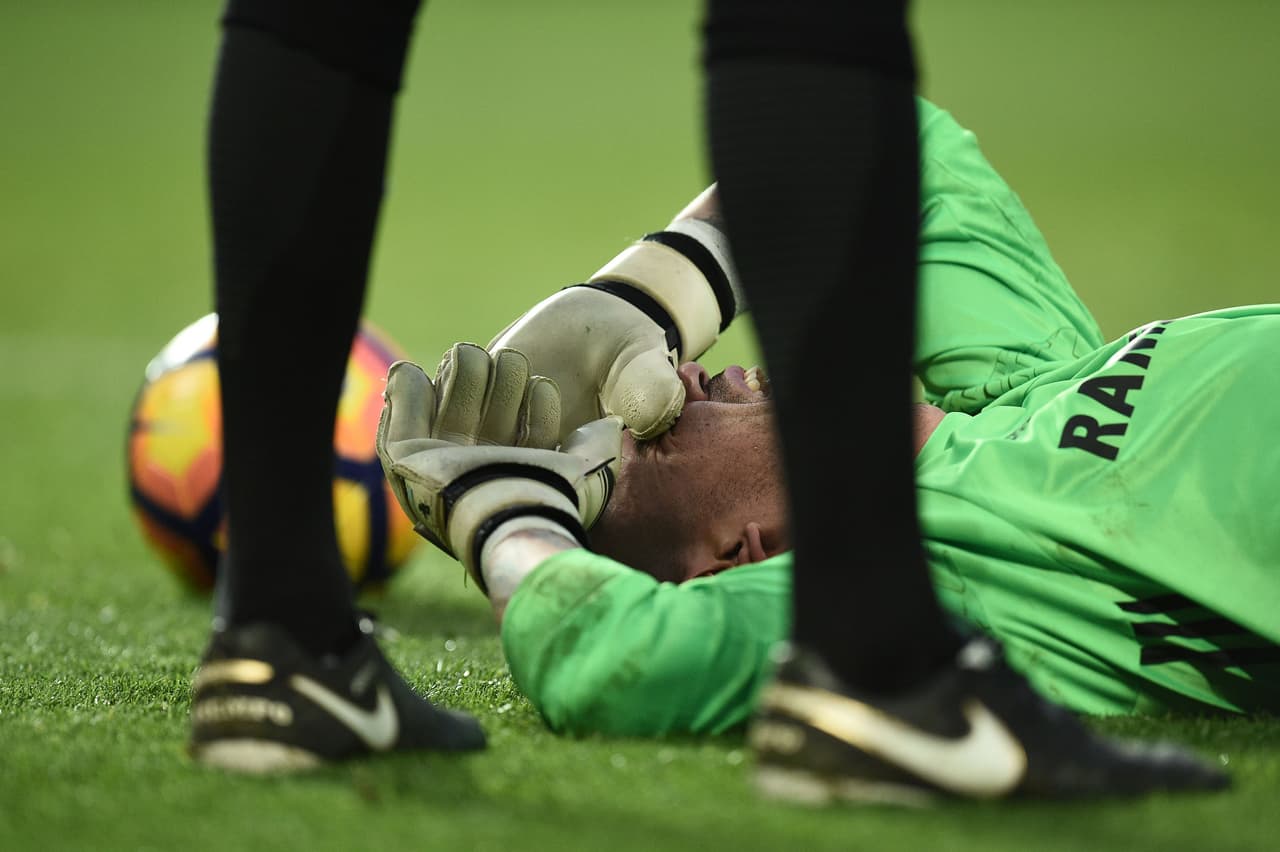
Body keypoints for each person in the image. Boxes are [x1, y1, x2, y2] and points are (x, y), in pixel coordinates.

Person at [378, 96, 1237, 801]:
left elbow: (877, 140)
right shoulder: (934, 584)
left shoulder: (1016, 388)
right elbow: (601, 653)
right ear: (736, 561)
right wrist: (503, 510)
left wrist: (650, 289)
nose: (675, 379)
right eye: (639, 443)